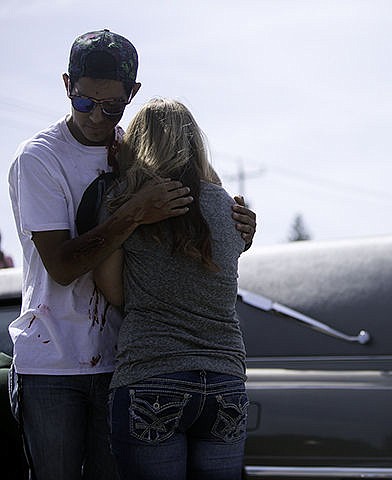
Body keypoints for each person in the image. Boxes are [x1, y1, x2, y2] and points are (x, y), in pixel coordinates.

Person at [7, 29, 256, 480]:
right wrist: (134, 214)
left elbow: (202, 217)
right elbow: (62, 268)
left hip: (129, 363)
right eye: (85, 102)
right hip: (54, 364)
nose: (98, 118)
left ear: (132, 96)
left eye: (112, 107)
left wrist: (240, 228)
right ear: (67, 86)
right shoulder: (39, 159)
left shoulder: (138, 154)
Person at [88, 97, 248, 480]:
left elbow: (112, 291)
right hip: (226, 381)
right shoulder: (230, 208)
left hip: (152, 376)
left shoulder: (125, 204)